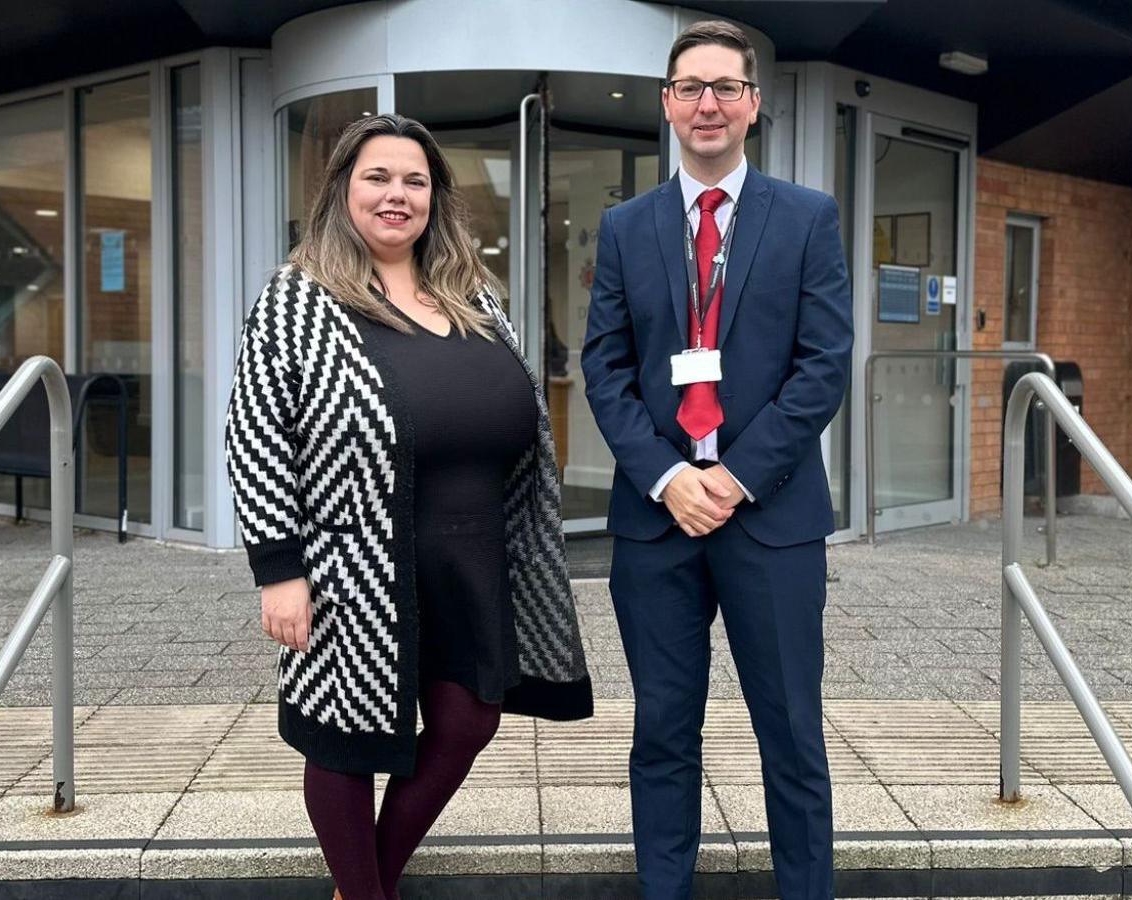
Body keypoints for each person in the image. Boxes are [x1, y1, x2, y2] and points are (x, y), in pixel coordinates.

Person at [225, 113, 592, 900]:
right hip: (353, 558)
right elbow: (255, 430)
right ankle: (364, 892)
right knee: (348, 740)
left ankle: (368, 882)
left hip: (475, 554)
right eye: (378, 178)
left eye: (414, 181)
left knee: (468, 723)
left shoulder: (475, 296)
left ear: (436, 197)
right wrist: (279, 569)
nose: (397, 195)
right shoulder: (298, 298)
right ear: (343, 192)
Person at [580, 20, 852, 900]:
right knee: (662, 730)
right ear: (666, 103)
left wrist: (731, 479)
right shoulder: (625, 227)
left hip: (770, 520)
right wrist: (668, 478)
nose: (708, 103)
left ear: (753, 104)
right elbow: (605, 367)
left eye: (725, 87)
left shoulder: (808, 217)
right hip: (657, 524)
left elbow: (822, 368)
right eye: (691, 87)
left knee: (791, 735)